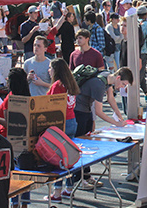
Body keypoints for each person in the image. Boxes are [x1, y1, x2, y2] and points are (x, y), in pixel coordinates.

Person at [73, 68, 131, 189]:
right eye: (123, 84)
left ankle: (87, 175)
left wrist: (120, 117)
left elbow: (111, 99)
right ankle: (78, 178)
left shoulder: (107, 78)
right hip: (79, 110)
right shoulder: (99, 84)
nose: (121, 88)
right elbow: (99, 112)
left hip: (86, 109)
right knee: (81, 144)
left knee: (87, 143)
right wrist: (116, 123)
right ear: (118, 78)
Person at [45, 58, 81, 202]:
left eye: (50, 68)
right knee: (69, 158)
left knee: (58, 159)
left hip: (61, 123)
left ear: (56, 70)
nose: (49, 70)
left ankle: (57, 192)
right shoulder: (70, 83)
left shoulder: (56, 85)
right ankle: (69, 189)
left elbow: (50, 104)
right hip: (72, 120)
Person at [137, 6, 147, 94]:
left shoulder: (135, 23)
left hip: (135, 50)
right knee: (141, 72)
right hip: (144, 51)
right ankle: (134, 91)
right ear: (146, 14)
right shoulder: (146, 24)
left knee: (141, 73)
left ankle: (146, 92)